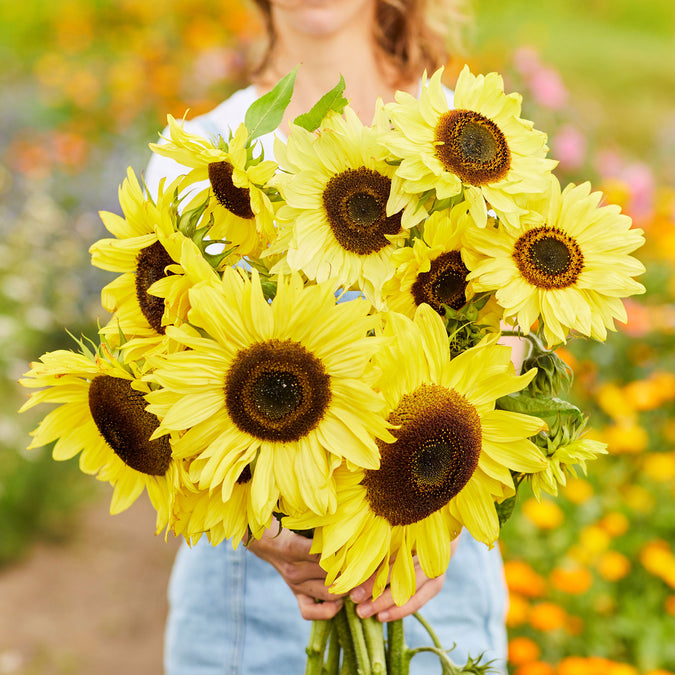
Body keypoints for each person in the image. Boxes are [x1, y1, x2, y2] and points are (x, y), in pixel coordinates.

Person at [144, 1, 510, 672]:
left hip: (429, 589)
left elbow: (512, 341)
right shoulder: (202, 160)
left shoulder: (468, 141)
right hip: (243, 613)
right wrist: (259, 525)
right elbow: (165, 385)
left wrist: (439, 509)